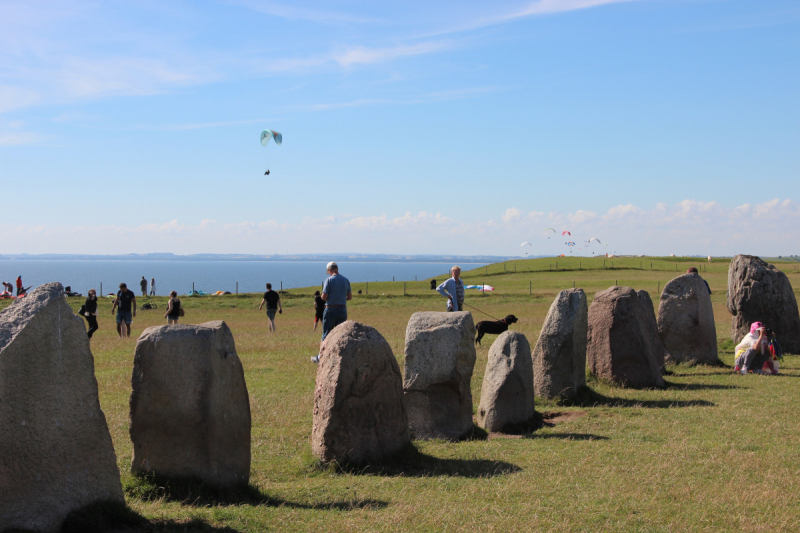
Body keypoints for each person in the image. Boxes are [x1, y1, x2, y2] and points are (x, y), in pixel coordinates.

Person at [311, 262, 351, 364]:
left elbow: (324, 297)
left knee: (326, 334)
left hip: (330, 309)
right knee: (340, 334)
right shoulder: (346, 280)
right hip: (342, 310)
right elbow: (349, 297)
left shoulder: (329, 280)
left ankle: (320, 357)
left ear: (330, 270)